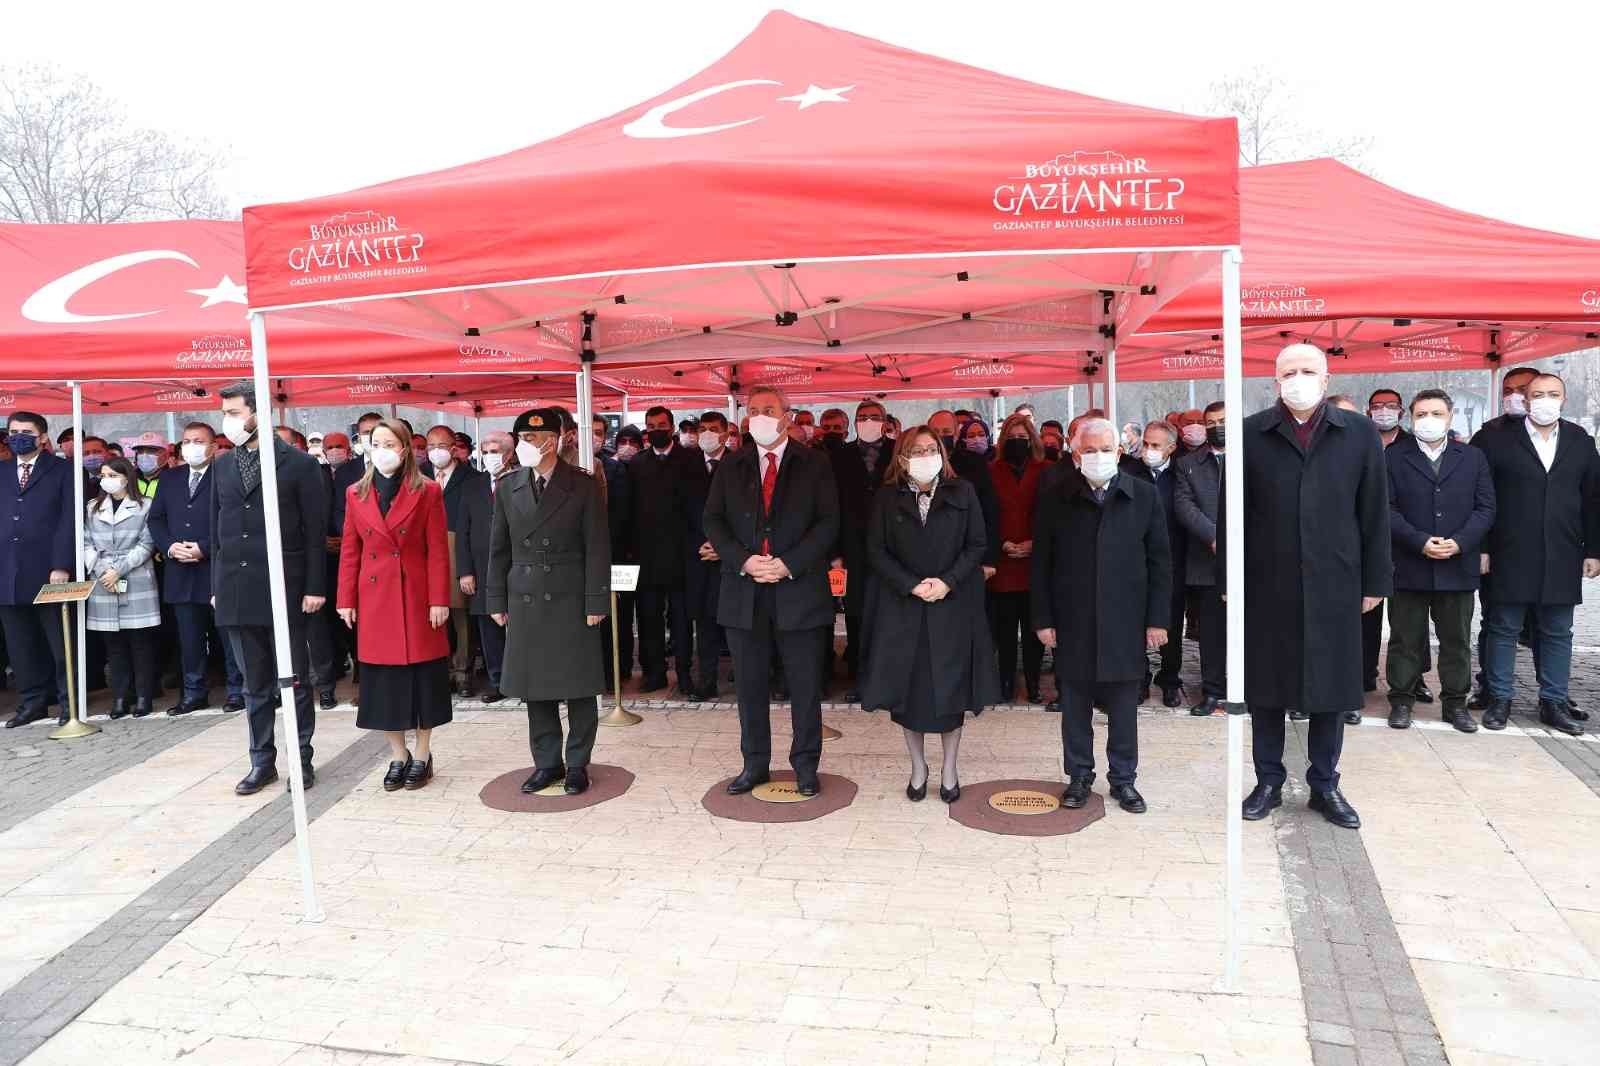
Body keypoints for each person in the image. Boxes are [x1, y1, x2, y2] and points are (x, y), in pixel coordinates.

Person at [1231, 344, 1390, 830]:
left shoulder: (1358, 433)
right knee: (1267, 686)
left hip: (1336, 579)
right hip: (1267, 580)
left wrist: (1375, 579)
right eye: (1287, 372)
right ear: (1274, 379)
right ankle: (1268, 780)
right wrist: (1229, 582)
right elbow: (1230, 516)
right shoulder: (1251, 432)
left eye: (1307, 371)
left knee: (1330, 685)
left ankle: (1325, 784)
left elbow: (1373, 511)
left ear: (1325, 379)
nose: (1297, 379)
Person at [703, 386, 839, 797]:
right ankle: (754, 764)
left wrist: (788, 563)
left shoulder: (815, 463)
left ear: (787, 416)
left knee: (803, 685)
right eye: (753, 410)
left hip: (798, 590)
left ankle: (805, 766)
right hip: (744, 591)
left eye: (769, 409)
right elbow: (713, 521)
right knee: (749, 686)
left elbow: (828, 523)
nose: (760, 416)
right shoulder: (732, 465)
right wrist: (744, 561)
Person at [1033, 418, 1170, 814]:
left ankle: (1124, 779)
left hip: (1125, 620)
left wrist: (1157, 620)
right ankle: (1078, 777)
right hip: (1073, 619)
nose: (1097, 457)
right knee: (1074, 705)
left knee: (1124, 707)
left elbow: (1160, 562)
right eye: (1089, 450)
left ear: (1120, 452)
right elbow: (1042, 563)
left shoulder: (1143, 495)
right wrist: (1043, 619)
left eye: (1105, 449)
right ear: (1075, 455)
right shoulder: (1057, 496)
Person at [861, 426, 997, 802]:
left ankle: (950, 768)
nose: (924, 456)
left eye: (930, 448)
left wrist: (948, 581)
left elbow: (977, 544)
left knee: (952, 692)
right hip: (905, 606)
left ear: (941, 452)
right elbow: (876, 549)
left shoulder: (963, 491)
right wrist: (911, 584)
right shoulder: (888, 497)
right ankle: (918, 766)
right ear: (902, 458)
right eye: (916, 450)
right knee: (911, 694)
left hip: (952, 605)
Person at [212, 380, 329, 796]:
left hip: (284, 587)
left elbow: (315, 532)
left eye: (234, 412)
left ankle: (301, 759)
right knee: (253, 684)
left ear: (258, 413)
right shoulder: (222, 465)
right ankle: (262, 762)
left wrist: (315, 586)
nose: (227, 421)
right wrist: (217, 586)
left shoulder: (298, 464)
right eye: (224, 413)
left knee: (293, 679)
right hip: (237, 589)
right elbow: (217, 531)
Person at [487, 408, 610, 797]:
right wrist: (496, 598)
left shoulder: (583, 485)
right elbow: (498, 549)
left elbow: (597, 547)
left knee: (578, 684)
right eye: (522, 437)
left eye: (534, 438)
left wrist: (596, 600)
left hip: (570, 594)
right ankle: (546, 762)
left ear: (554, 441)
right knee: (535, 685)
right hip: (524, 596)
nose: (526, 445)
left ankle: (577, 763)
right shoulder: (508, 486)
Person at [1475, 373, 1600, 735]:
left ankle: (1554, 701)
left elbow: (1593, 499)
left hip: (1563, 551)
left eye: (1553, 394)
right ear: (1525, 402)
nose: (1545, 400)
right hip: (1508, 550)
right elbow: (1482, 498)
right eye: (1537, 394)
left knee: (1558, 630)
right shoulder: (1497, 440)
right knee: (1503, 627)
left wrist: (1593, 549)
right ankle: (1499, 698)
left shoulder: (1580, 441)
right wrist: (1482, 548)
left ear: (1564, 399)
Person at [336, 419, 453, 791]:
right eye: (375, 442)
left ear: (404, 449)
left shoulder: (428, 490)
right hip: (374, 599)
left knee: (422, 677)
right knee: (382, 682)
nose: (382, 449)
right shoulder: (356, 492)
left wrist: (439, 599)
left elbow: (437, 549)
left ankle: (422, 752)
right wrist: (345, 600)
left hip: (416, 596)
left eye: (390, 443)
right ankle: (397, 753)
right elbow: (350, 549)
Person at [1385, 389, 1495, 732]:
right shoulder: (1393, 456)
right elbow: (1385, 508)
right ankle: (1401, 700)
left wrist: (1460, 543)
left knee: (1456, 640)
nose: (1428, 420)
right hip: (1409, 563)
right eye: (1421, 414)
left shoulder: (1473, 457)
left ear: (1449, 417)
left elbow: (1486, 507)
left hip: (1457, 565)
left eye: (1436, 413)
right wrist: (1419, 541)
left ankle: (1455, 703)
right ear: (1411, 418)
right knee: (1404, 638)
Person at [1467, 366, 1547, 709]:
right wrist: (1482, 547)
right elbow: (1475, 497)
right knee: (1497, 622)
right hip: (1500, 547)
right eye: (1509, 389)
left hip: (1549, 549)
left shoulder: (1566, 436)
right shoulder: (1488, 436)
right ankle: (1491, 687)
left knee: (1549, 625)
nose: (1516, 395)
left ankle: (1553, 695)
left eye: (1524, 388)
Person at [147, 422, 227, 715]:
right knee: (189, 639)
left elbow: (232, 519)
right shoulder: (170, 478)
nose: (191, 446)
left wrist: (205, 547)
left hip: (217, 570)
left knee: (227, 636)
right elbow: (156, 519)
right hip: (180, 570)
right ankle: (194, 692)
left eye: (198, 440)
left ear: (213, 447)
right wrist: (170, 547)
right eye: (186, 441)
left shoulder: (224, 475)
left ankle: (237, 689)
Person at [1, 411, 74, 729]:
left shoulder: (63, 470)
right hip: (7, 570)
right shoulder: (2, 471)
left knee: (59, 643)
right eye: (13, 431)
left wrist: (61, 564)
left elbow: (68, 521)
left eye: (26, 431)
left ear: (43, 436)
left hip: (47, 570)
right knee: (20, 644)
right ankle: (33, 702)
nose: (18, 436)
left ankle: (69, 701)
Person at [1361, 387, 1431, 711]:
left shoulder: (1414, 444)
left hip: (1407, 541)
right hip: (1368, 539)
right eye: (1378, 406)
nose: (1384, 411)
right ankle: (1364, 672)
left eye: (1390, 406)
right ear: (1368, 411)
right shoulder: (1361, 441)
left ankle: (1414, 678)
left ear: (1402, 412)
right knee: (1367, 614)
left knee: (1410, 618)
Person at [82, 456, 162, 717]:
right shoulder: (92, 507)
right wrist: (103, 569)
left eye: (113, 475)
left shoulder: (145, 506)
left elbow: (147, 543)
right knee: (113, 644)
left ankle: (143, 696)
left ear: (126, 477)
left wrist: (120, 569)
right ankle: (119, 697)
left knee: (141, 643)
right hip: (103, 579)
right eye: (103, 475)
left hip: (135, 577)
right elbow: (85, 543)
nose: (107, 480)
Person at [826, 400, 894, 697]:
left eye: (874, 417)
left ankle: (888, 680)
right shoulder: (838, 455)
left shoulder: (898, 452)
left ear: (885, 421)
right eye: (862, 417)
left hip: (891, 547)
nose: (868, 421)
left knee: (888, 615)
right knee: (855, 616)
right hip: (851, 547)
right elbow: (830, 505)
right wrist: (834, 552)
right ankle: (859, 679)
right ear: (854, 422)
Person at [629, 406, 698, 694]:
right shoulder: (637, 464)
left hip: (682, 556)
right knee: (648, 619)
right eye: (650, 425)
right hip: (646, 557)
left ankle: (683, 674)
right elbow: (628, 513)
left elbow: (698, 508)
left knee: (682, 620)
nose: (656, 429)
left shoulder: (691, 460)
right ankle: (653, 672)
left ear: (671, 427)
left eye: (661, 425)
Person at [1128, 420, 1188, 707]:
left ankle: (1170, 678)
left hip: (1172, 561)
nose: (1148, 450)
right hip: (1136, 560)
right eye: (1146, 444)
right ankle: (1139, 678)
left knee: (1171, 623)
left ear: (1171, 448)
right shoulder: (1129, 472)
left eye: (1155, 446)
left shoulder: (1181, 474)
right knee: (1136, 620)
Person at [988, 412, 1047, 704]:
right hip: (1004, 564)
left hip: (1036, 564)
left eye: (1022, 438)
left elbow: (1055, 517)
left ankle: (1034, 684)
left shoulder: (1046, 470)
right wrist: (1002, 544)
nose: (1017, 442)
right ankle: (1006, 683)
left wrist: (1036, 544)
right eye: (1011, 438)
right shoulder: (992, 471)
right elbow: (986, 515)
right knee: (1006, 632)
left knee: (1036, 631)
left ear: (1032, 439)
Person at [1174, 401, 1227, 716]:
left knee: (1250, 630)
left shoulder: (1253, 459)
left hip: (1250, 561)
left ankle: (1245, 688)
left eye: (1223, 420)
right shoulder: (1189, 464)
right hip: (1207, 563)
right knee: (1211, 633)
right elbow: (1184, 505)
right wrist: (1214, 536)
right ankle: (1213, 691)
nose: (1216, 426)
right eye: (1211, 421)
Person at [424, 423, 483, 695]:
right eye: (431, 446)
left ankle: (463, 672)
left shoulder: (472, 478)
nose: (436, 451)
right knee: (434, 614)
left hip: (457, 546)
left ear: (454, 448)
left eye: (442, 445)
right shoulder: (419, 475)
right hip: (426, 550)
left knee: (461, 615)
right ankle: (441, 670)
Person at [457, 432, 515, 702]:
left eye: (496, 450)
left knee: (519, 628)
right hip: (481, 570)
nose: (491, 456)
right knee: (489, 631)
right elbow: (463, 532)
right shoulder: (472, 485)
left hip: (517, 568)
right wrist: (465, 571)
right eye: (486, 451)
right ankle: (498, 681)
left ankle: (522, 680)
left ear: (510, 453)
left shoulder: (522, 481)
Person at [682, 411, 730, 699]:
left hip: (733, 558)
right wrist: (699, 545)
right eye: (703, 429)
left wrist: (722, 548)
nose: (708, 434)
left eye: (714, 429)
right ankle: (707, 680)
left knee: (738, 623)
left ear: (725, 433)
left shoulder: (740, 464)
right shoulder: (686, 465)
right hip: (697, 556)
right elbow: (677, 511)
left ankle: (752, 677)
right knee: (704, 622)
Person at [928, 410, 1000, 579]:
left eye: (946, 432)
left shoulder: (975, 463)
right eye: (935, 432)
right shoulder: (918, 463)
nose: (940, 436)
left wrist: (989, 559)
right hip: (930, 553)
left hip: (967, 553)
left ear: (957, 433)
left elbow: (989, 510)